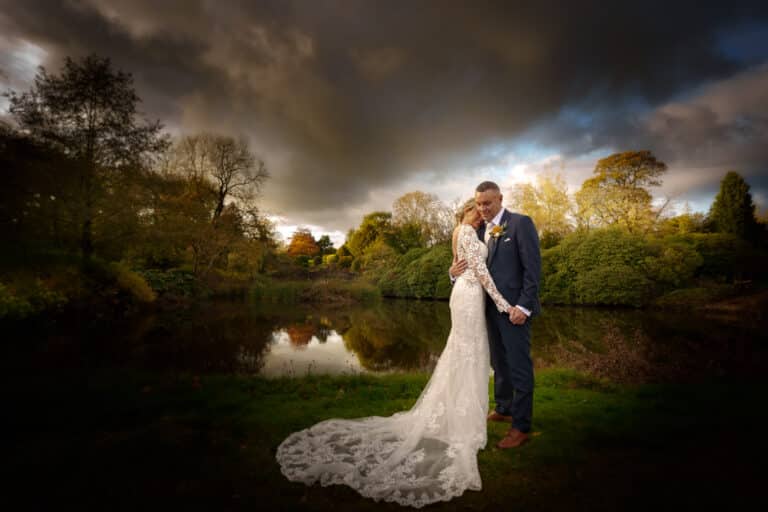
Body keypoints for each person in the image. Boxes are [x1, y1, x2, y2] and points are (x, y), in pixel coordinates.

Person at [276, 198, 516, 508]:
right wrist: (500, 301)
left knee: (464, 353)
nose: (481, 216)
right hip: (470, 296)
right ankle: (463, 423)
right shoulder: (467, 232)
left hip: (464, 294)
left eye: (483, 213)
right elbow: (480, 270)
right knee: (466, 352)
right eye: (476, 211)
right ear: (467, 211)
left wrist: (454, 273)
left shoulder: (462, 232)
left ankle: (462, 414)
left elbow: (459, 266)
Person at [449, 181, 541, 449]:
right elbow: (470, 267)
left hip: (514, 311)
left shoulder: (520, 223)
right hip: (485, 308)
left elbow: (532, 270)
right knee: (499, 364)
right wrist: (452, 274)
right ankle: (504, 408)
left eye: (487, 203)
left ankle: (521, 426)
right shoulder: (478, 231)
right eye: (478, 204)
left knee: (519, 366)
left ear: (500, 198)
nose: (483, 209)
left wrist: (523, 307)